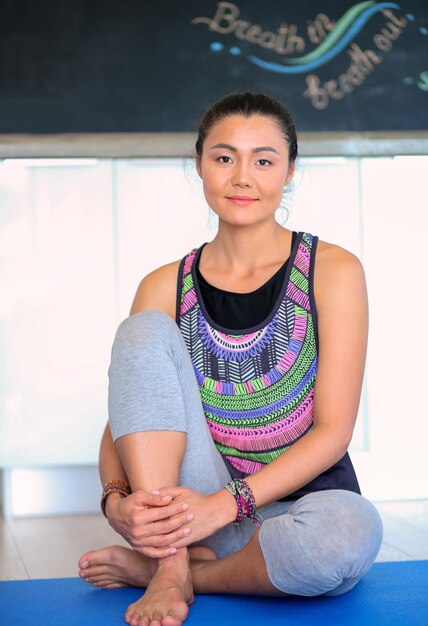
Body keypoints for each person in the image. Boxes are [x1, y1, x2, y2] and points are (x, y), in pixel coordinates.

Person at [78, 92, 383, 626]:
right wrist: (116, 501)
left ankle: (180, 576)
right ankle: (171, 564)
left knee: (346, 536)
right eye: (224, 157)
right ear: (199, 165)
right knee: (142, 329)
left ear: (289, 170)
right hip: (194, 513)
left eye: (264, 160)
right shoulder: (163, 284)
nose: (243, 177)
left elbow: (334, 432)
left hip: (297, 511)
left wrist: (229, 504)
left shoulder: (333, 270)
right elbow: (129, 416)